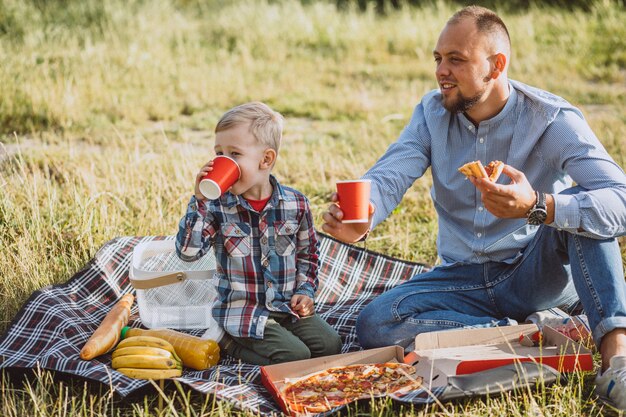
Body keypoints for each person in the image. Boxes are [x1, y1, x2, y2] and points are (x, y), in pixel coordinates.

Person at [322, 6, 626, 410]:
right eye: (438, 58)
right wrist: (362, 218)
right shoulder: (431, 115)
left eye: (456, 60)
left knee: (579, 209)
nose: (441, 71)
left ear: (496, 65)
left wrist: (539, 206)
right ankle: (530, 333)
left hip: (533, 271)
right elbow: (390, 174)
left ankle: (617, 366)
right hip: (460, 279)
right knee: (375, 322)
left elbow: (619, 199)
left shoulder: (551, 120)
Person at [176, 102, 342, 365]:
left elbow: (308, 255)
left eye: (234, 154)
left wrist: (305, 291)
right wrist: (199, 200)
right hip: (243, 313)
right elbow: (188, 253)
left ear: (266, 159)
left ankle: (279, 338)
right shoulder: (217, 206)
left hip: (285, 308)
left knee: (330, 345)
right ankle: (228, 342)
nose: (222, 162)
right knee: (294, 356)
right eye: (219, 153)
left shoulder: (295, 204)